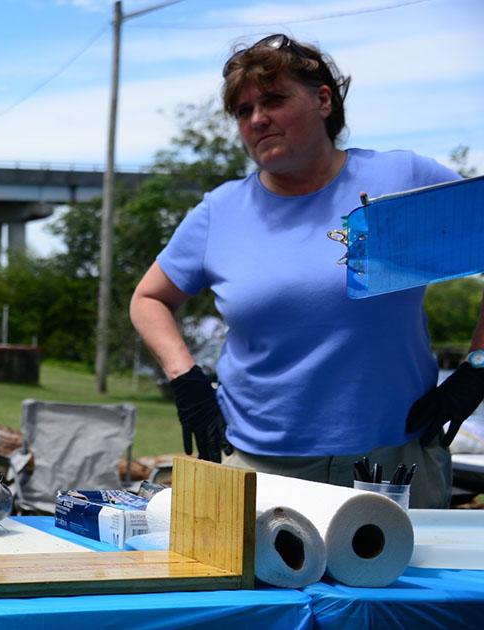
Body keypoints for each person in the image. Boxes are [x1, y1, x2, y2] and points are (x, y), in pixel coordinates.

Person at [129, 34, 484, 509]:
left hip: (395, 464)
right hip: (261, 470)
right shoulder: (221, 212)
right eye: (242, 110)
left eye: (274, 99)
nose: (257, 119)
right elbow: (149, 299)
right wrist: (186, 378)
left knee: (400, 585)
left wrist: (478, 367)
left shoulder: (401, 181)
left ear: (322, 100)